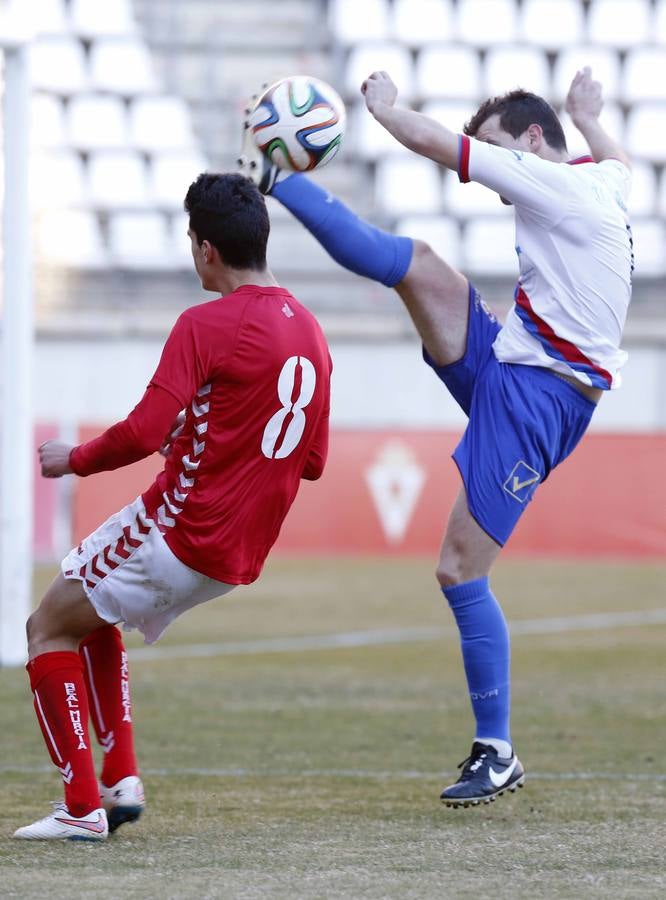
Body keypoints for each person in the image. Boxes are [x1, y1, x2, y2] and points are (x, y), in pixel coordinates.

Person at [239, 67, 632, 807]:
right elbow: (619, 160)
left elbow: (434, 143)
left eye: (495, 149)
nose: (482, 172)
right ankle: (278, 181)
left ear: (529, 140)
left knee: (458, 569)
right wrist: (589, 115)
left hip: (542, 400)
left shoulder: (554, 183)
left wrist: (385, 110)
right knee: (419, 264)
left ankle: (498, 750)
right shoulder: (600, 179)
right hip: (516, 364)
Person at [13, 172, 332, 840]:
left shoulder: (206, 323)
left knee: (45, 628)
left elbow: (144, 430)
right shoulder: (310, 330)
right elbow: (310, 461)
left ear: (205, 248)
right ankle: (120, 778)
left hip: (179, 531)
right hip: (236, 557)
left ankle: (80, 808)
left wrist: (71, 458)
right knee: (95, 611)